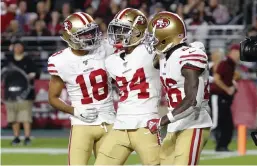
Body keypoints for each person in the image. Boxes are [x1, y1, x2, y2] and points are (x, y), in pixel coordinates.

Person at [94, 8, 161, 165]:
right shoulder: (112, 61)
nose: (118, 34)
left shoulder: (151, 52)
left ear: (138, 31)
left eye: (123, 30)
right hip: (121, 124)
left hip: (146, 124)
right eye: (117, 30)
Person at [47, 12, 115, 165]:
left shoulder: (104, 48)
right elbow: (52, 98)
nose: (92, 37)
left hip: (109, 120)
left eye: (92, 31)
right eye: (85, 34)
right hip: (82, 124)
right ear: (71, 37)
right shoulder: (60, 61)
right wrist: (74, 111)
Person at [145, 11, 212, 165]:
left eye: (155, 38)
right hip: (176, 123)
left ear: (166, 38)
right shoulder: (164, 57)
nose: (152, 42)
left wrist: (162, 120)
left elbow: (192, 101)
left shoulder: (188, 57)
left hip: (194, 123)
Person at [2, 41, 40, 146]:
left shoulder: (28, 60)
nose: (17, 48)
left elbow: (37, 73)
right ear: (13, 48)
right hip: (10, 94)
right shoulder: (8, 61)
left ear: (23, 48)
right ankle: (16, 137)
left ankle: (27, 137)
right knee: (13, 118)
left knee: (25, 117)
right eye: (16, 46)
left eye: (20, 46)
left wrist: (32, 75)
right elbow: (3, 74)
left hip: (25, 94)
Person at [210, 44, 240, 151]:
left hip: (224, 97)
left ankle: (222, 145)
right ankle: (218, 142)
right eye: (238, 53)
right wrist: (228, 89)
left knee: (227, 123)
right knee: (218, 122)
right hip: (218, 96)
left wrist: (232, 85)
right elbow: (216, 78)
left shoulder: (230, 64)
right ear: (233, 52)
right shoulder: (225, 63)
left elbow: (235, 76)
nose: (239, 56)